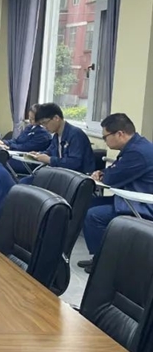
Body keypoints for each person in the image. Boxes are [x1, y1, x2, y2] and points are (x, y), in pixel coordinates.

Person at [79, 114, 153, 273]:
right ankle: (99, 257)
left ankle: (106, 263)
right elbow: (116, 171)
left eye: (105, 137)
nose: (105, 141)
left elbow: (113, 178)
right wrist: (103, 172)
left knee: (94, 215)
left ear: (120, 134)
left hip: (143, 204)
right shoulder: (134, 147)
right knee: (87, 204)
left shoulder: (138, 152)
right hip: (129, 198)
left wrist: (105, 174)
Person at [25, 103, 95, 176]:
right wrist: (38, 154)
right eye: (42, 124)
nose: (45, 127)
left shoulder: (76, 134)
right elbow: (50, 151)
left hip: (77, 177)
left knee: (30, 180)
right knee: (26, 180)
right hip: (62, 174)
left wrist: (50, 160)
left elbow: (74, 162)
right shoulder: (56, 135)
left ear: (56, 118)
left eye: (45, 123)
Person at [0, 104, 51, 175]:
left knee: (0, 161)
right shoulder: (29, 127)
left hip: (28, 162)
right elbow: (17, 140)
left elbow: (26, 147)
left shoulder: (43, 134)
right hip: (17, 156)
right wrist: (4, 142)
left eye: (32, 119)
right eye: (29, 117)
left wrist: (9, 147)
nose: (30, 121)